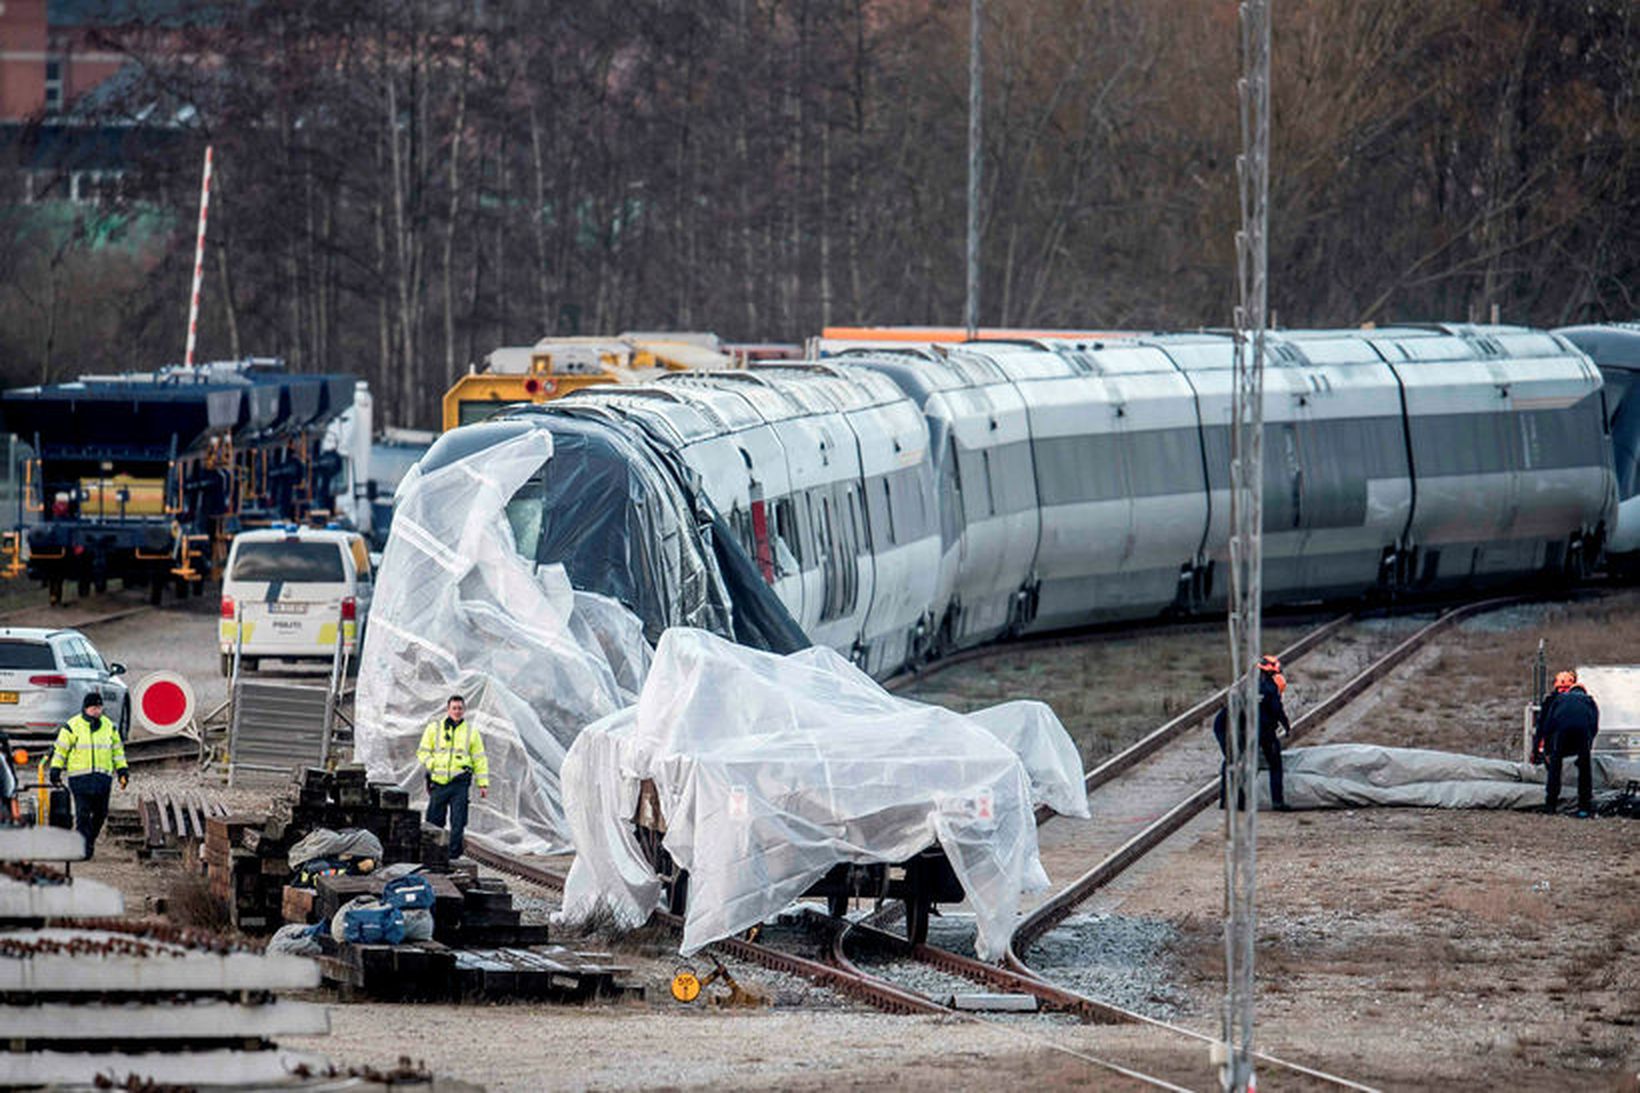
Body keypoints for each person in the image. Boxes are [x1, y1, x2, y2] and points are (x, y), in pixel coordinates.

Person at [48, 693, 128, 859]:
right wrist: (56, 769)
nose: (97, 711)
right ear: (85, 708)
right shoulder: (72, 726)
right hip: (80, 779)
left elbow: (117, 751)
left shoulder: (109, 726)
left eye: (99, 708)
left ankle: (88, 841)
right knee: (83, 815)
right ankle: (82, 848)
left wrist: (122, 770)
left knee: (101, 814)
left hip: (102, 778)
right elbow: (60, 750)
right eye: (93, 708)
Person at [1214, 654, 1293, 811]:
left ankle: (1231, 800)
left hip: (1233, 727)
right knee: (1273, 764)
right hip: (1232, 728)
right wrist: (1286, 726)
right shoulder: (1271, 688)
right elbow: (1276, 711)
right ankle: (1276, 802)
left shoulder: (1249, 687)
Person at [416, 694, 489, 859]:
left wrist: (483, 784)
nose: (457, 711)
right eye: (454, 708)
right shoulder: (434, 728)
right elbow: (422, 751)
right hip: (438, 782)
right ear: (448, 709)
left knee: (458, 821)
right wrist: (432, 763)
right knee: (434, 821)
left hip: (460, 783)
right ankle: (433, 853)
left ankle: (454, 856)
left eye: (460, 708)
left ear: (464, 710)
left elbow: (480, 759)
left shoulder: (471, 732)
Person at [1535, 669, 1598, 817]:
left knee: (1555, 769)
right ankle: (1584, 807)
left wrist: (1548, 751)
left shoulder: (1559, 700)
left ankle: (1550, 806)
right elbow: (1594, 726)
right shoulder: (1589, 700)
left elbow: (1547, 725)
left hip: (1562, 732)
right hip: (1582, 733)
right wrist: (1586, 750)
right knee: (1584, 771)